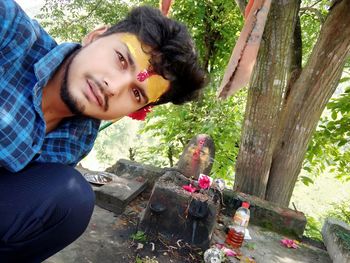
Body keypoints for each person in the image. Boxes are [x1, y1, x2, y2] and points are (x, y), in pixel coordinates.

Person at [0, 0, 206, 262]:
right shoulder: (8, 29)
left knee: (72, 199)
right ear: (95, 37)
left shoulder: (78, 139)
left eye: (135, 92)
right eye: (121, 59)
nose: (113, 87)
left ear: (137, 111)